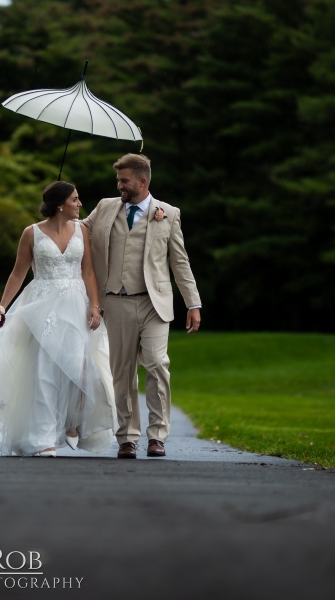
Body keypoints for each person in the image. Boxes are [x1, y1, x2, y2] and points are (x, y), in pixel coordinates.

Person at [0, 181, 117, 457]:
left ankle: (73, 422)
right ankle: (42, 439)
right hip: (41, 307)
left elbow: (88, 272)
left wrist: (95, 305)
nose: (79, 204)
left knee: (81, 369)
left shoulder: (81, 231)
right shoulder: (31, 233)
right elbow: (18, 274)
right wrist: (0, 309)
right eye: (75, 199)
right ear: (60, 204)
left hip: (77, 305)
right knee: (44, 373)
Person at [81, 154, 201, 459]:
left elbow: (180, 261)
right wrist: (52, 221)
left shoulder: (168, 213)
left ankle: (157, 435)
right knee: (121, 373)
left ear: (142, 181)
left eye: (124, 180)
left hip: (153, 302)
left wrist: (193, 303)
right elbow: (78, 232)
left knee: (158, 364)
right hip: (116, 301)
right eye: (118, 180)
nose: (119, 185)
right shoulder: (106, 207)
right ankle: (127, 438)